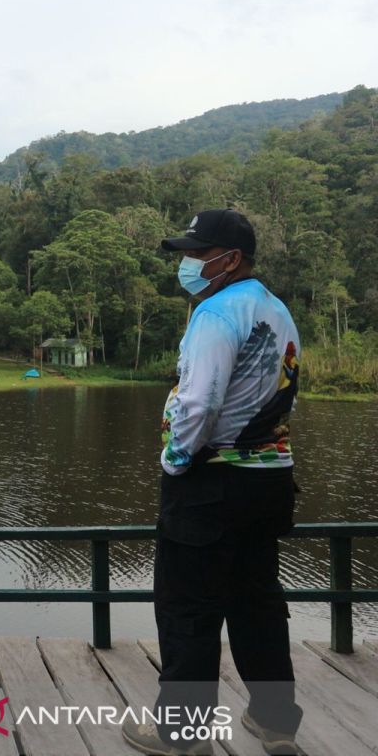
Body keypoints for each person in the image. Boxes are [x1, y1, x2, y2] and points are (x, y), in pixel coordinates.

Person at [122, 210, 305, 756]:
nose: (190, 264)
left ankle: (182, 733)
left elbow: (199, 403)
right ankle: (275, 723)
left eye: (199, 254)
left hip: (211, 485)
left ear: (229, 259)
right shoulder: (277, 311)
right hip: (269, 480)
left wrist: (176, 461)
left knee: (188, 610)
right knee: (258, 606)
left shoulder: (216, 312)